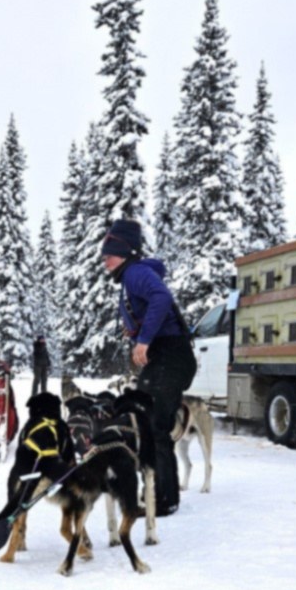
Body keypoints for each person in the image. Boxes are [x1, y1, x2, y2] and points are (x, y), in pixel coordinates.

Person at [101, 218, 196, 517]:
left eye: (109, 255)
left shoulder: (136, 273)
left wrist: (143, 341)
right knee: (147, 422)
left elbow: (161, 298)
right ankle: (155, 492)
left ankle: (163, 499)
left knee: (153, 426)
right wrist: (139, 342)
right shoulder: (133, 274)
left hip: (172, 356)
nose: (105, 261)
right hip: (167, 357)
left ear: (126, 252)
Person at [31, 332, 50, 396]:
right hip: (38, 365)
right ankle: (34, 394)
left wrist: (48, 362)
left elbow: (46, 355)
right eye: (42, 339)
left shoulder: (44, 346)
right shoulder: (36, 346)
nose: (43, 340)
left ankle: (44, 393)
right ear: (39, 340)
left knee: (44, 380)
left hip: (44, 365)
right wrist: (41, 345)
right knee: (37, 380)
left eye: (43, 339)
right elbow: (38, 352)